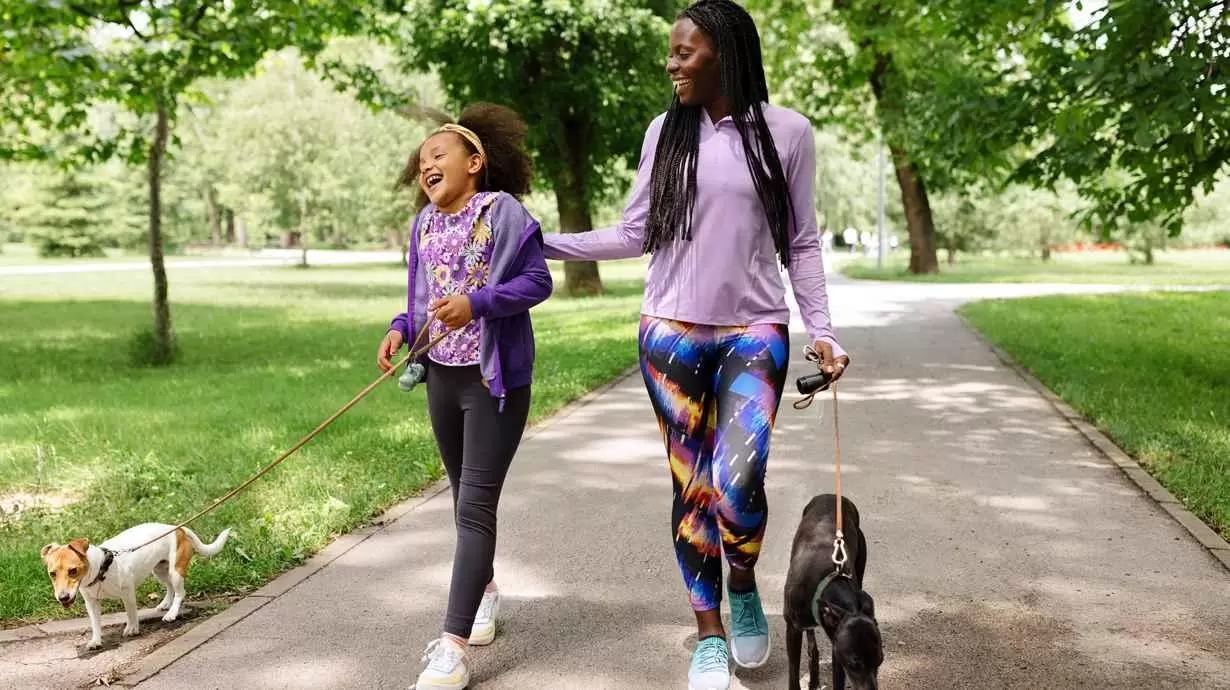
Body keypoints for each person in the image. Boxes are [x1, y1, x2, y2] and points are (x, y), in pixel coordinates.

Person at [540, 2, 849, 688]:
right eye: (672, 53)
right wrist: (540, 240)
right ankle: (707, 631)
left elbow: (800, 242)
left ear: (727, 55)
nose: (672, 64)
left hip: (753, 332)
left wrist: (821, 330)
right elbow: (633, 232)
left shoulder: (788, 133)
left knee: (738, 486)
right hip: (670, 334)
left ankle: (741, 585)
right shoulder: (665, 131)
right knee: (692, 488)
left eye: (685, 52)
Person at [376, 103, 552, 690]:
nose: (427, 164)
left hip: (492, 381)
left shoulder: (500, 212)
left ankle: (450, 649)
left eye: (438, 154)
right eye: (422, 160)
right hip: (442, 380)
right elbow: (422, 296)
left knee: (475, 507)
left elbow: (537, 281)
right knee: (461, 501)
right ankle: (486, 590)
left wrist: (477, 303)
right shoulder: (424, 224)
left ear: (474, 163)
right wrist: (403, 328)